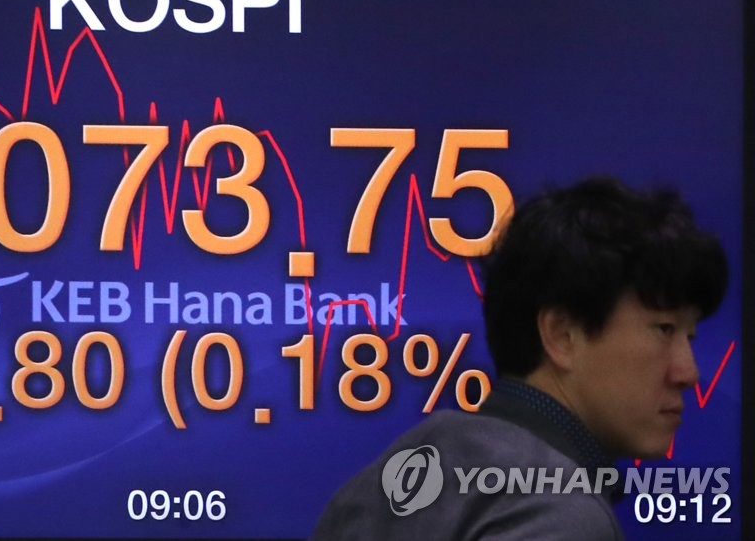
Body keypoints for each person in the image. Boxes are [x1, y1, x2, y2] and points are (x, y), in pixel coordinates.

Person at [310, 177, 728, 540]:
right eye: (664, 330)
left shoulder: (385, 481)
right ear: (561, 335)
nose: (689, 373)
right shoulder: (562, 514)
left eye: (690, 336)